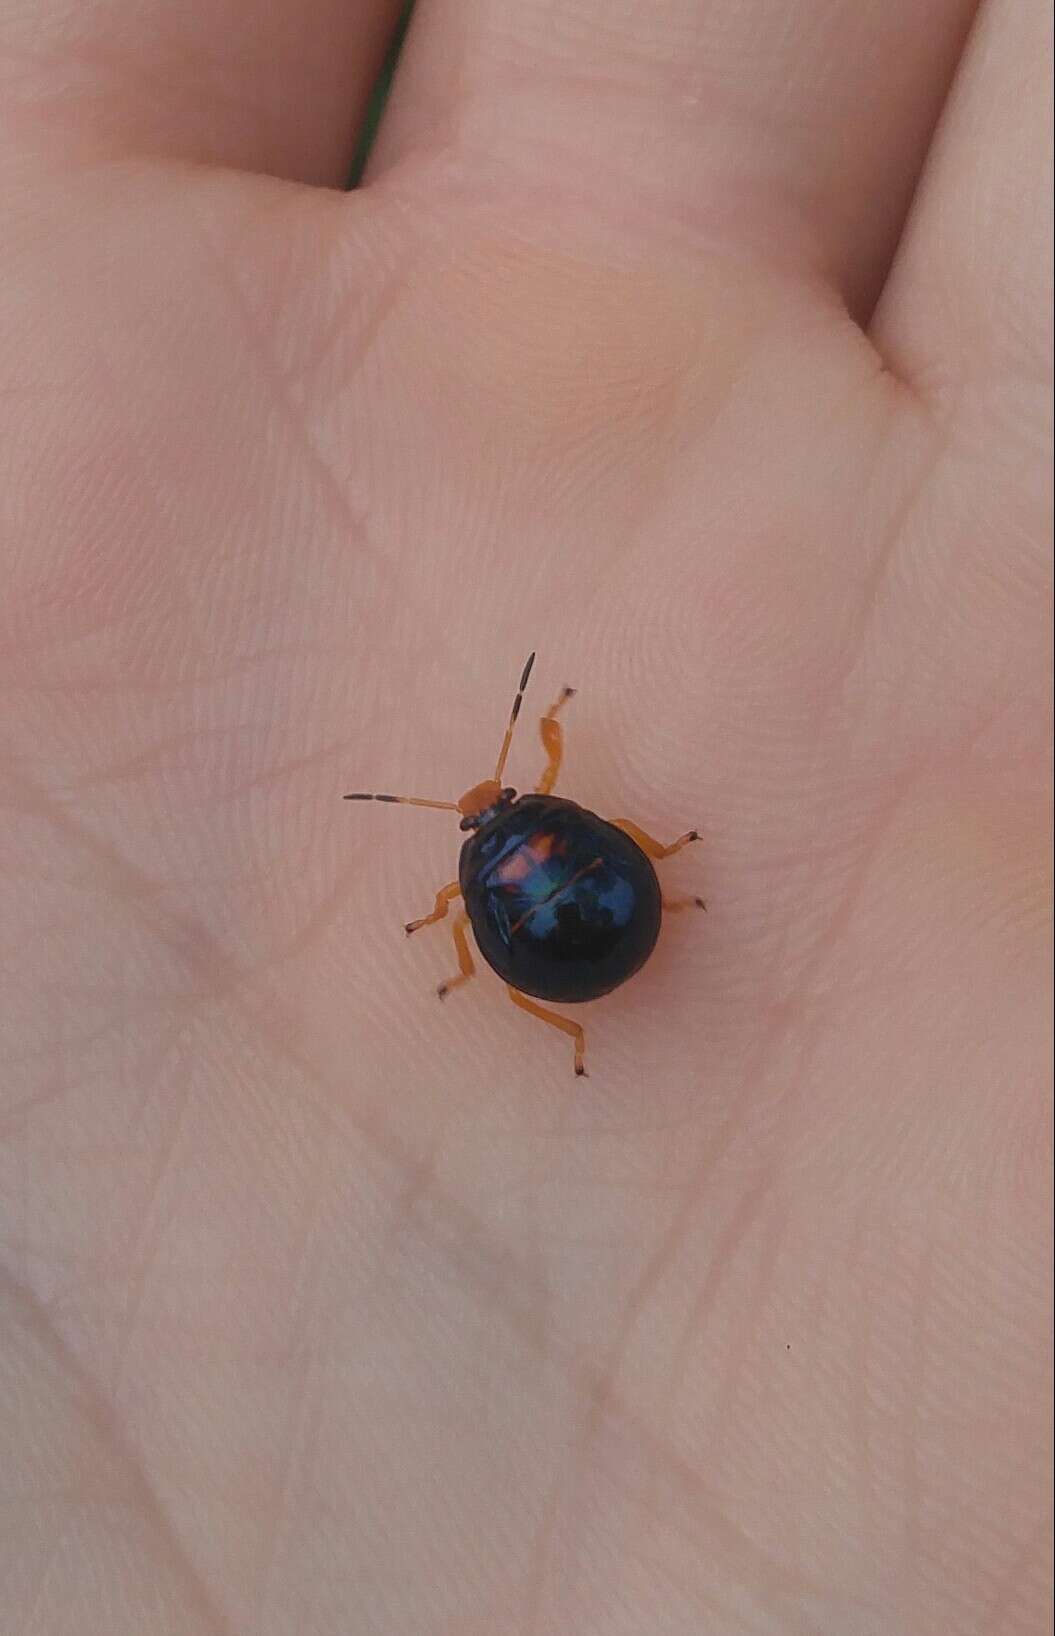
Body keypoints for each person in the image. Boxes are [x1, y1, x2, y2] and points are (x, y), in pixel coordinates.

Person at [0, 1, 1050, 1631]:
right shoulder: (530, 841)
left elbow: (507, 919)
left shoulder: (511, 850)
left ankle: (623, 958)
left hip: (599, 959)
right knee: (598, 918)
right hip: (608, 944)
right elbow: (529, 903)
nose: (498, 812)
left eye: (500, 793)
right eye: (496, 801)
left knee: (582, 932)